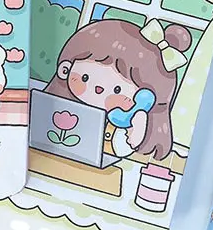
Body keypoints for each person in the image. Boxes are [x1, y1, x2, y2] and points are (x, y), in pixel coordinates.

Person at [44, 18, 191, 160]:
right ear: (66, 69)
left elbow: (119, 149)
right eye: (85, 77)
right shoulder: (62, 106)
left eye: (117, 89)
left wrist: (137, 127)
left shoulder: (118, 126)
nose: (98, 89)